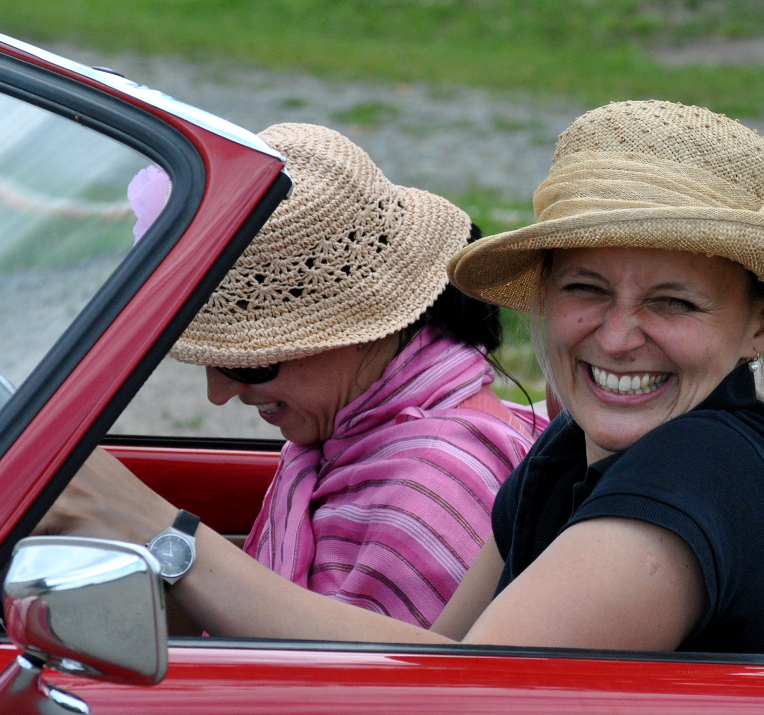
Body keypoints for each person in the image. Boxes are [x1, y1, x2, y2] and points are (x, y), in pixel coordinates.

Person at [40, 100, 764, 655]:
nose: (615, 336)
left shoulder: (700, 469)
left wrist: (159, 531)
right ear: (544, 297)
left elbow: (465, 692)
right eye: (585, 289)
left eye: (673, 302)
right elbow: (437, 651)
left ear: (758, 325)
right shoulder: (573, 447)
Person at [130, 123, 546, 628]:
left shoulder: (428, 492)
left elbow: (358, 676)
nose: (218, 393)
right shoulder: (366, 436)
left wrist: (139, 519)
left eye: (249, 363)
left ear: (365, 327)